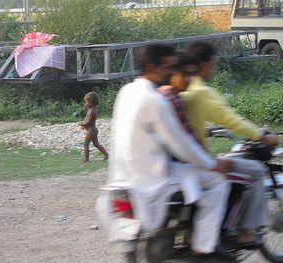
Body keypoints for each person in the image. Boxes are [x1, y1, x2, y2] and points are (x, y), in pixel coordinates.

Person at [107, 43, 233, 261]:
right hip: (153, 176)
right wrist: (214, 165)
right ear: (151, 68)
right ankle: (203, 246)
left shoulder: (127, 91)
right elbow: (181, 144)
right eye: (168, 66)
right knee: (218, 182)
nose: (172, 71)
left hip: (124, 175)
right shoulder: (155, 100)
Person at [181, 41, 279, 247]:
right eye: (213, 64)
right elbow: (231, 120)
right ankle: (246, 232)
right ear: (207, 64)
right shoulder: (201, 91)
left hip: (183, 159)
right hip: (195, 162)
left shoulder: (179, 90)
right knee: (254, 172)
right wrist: (262, 136)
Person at [79, 92, 109, 162]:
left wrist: (82, 124)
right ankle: (106, 155)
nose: (85, 104)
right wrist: (84, 125)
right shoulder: (92, 110)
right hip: (93, 130)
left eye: (86, 102)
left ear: (91, 102)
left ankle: (86, 159)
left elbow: (89, 122)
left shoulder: (92, 111)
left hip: (91, 130)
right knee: (96, 144)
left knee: (86, 144)